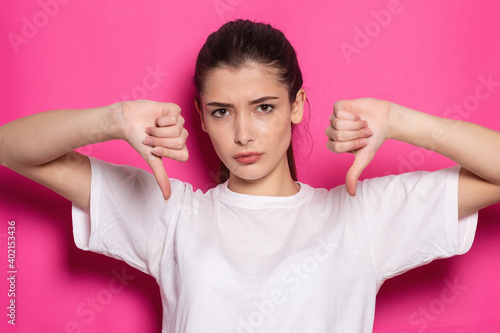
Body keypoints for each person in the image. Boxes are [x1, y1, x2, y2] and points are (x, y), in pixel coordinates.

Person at [0, 19, 499, 332]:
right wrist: (112, 119)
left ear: (297, 106)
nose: (243, 133)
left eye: (263, 107)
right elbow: (13, 150)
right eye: (221, 111)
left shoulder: (361, 216)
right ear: (200, 117)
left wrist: (400, 122)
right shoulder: (173, 212)